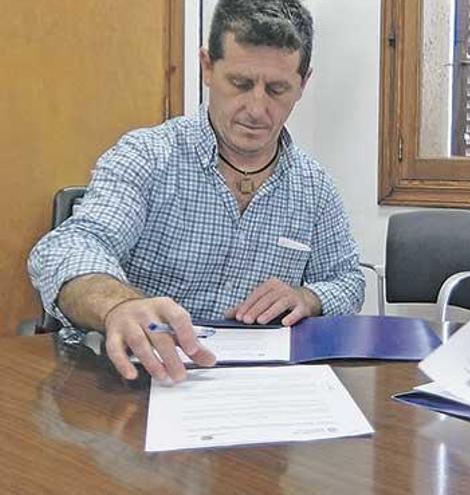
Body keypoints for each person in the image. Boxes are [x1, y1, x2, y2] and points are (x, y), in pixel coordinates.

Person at [28, 0, 365, 384]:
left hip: (253, 389)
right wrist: (119, 305)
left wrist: (310, 298)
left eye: (277, 89)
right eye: (240, 84)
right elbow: (67, 247)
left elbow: (347, 281)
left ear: (303, 84)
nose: (257, 109)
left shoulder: (314, 186)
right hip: (133, 382)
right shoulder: (148, 156)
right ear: (207, 67)